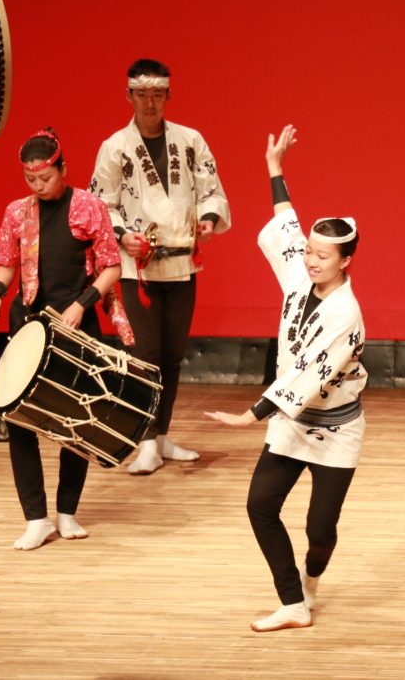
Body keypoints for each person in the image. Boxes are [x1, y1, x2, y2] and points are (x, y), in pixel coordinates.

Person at [206, 125, 367, 632]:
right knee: (260, 505)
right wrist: (275, 167)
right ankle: (293, 602)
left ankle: (312, 576)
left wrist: (249, 416)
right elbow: (287, 224)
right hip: (292, 422)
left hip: (335, 427)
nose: (310, 259)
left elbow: (307, 377)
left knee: (320, 530)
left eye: (322, 255)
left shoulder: (346, 313)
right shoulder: (302, 274)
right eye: (310, 252)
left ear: (346, 261)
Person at [0, 129, 126, 550]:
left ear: (63, 169)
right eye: (31, 179)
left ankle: (67, 512)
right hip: (28, 325)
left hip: (74, 324)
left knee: (76, 420)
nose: (38, 186)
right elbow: (6, 263)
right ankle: (36, 518)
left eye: (45, 178)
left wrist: (82, 304)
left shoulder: (88, 207)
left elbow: (111, 267)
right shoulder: (17, 212)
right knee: (18, 420)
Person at [90, 58, 231, 475]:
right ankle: (146, 441)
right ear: (128, 96)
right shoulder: (115, 147)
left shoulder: (190, 140)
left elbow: (211, 190)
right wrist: (121, 236)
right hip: (138, 267)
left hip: (182, 263)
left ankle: (163, 435)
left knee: (172, 356)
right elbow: (101, 204)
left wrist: (208, 219)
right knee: (145, 355)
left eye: (157, 95)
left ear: (169, 95)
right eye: (141, 95)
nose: (149, 103)